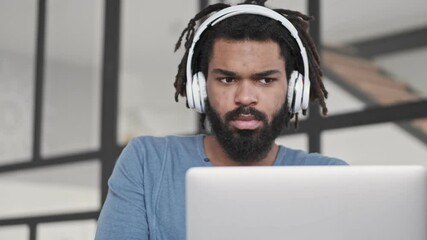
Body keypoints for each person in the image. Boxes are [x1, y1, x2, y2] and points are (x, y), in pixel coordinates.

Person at [95, 0, 347, 239]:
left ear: (293, 89)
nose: (245, 97)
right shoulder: (147, 162)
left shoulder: (331, 178)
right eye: (227, 79)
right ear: (200, 88)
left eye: (265, 80)